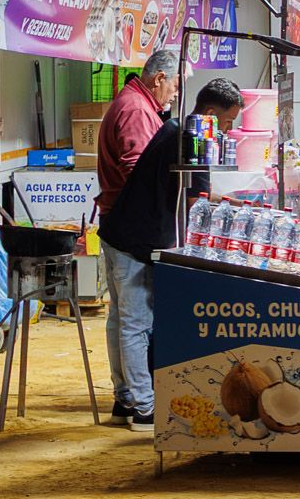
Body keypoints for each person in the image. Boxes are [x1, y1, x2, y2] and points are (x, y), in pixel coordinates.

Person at [101, 78, 241, 429]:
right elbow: (196, 200)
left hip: (127, 232)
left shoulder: (177, 131)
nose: (229, 129)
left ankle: (125, 401)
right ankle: (144, 409)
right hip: (134, 239)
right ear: (209, 113)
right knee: (134, 324)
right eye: (227, 122)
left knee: (123, 321)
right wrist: (235, 207)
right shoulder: (189, 139)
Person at [96, 49, 181, 222]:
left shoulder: (136, 102)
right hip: (129, 219)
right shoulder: (137, 110)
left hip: (126, 215)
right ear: (159, 79)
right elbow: (137, 172)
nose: (177, 94)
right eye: (177, 87)